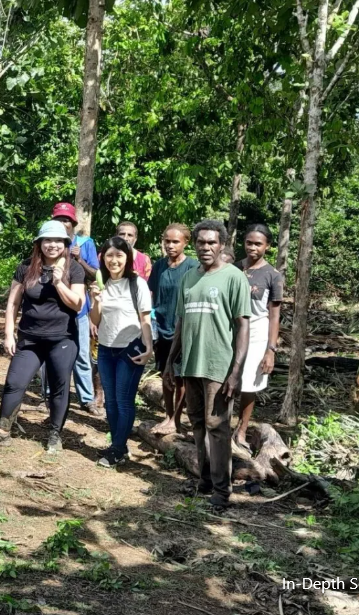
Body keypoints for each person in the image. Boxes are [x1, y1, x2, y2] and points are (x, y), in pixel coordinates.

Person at [163, 219, 250, 511]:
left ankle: (222, 492)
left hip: (218, 365)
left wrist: (236, 372)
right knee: (198, 424)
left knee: (218, 426)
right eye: (201, 242)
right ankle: (205, 480)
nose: (206, 247)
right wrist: (170, 361)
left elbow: (243, 326)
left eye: (212, 242)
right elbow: (181, 322)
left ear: (221, 245)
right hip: (191, 364)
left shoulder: (233, 277)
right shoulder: (189, 277)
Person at [0, 221, 85, 453]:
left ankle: (55, 434)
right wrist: (9, 334)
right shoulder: (26, 267)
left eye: (58, 241)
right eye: (48, 240)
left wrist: (58, 283)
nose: (52, 245)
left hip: (62, 339)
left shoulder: (74, 269)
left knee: (59, 386)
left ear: (65, 244)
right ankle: (3, 431)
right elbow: (13, 303)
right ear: (39, 243)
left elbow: (78, 304)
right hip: (30, 339)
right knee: (14, 383)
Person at [88, 237, 154, 467]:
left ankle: (116, 450)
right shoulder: (101, 284)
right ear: (102, 258)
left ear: (127, 258)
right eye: (109, 255)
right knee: (111, 402)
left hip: (130, 348)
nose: (114, 260)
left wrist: (149, 348)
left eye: (119, 255)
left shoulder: (137, 284)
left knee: (124, 401)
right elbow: (95, 320)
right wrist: (96, 300)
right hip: (106, 349)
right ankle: (120, 446)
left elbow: (145, 319)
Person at [234, 223, 283, 455]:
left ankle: (241, 430)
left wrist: (270, 350)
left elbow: (274, 315)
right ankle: (220, 426)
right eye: (249, 243)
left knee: (249, 384)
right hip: (232, 331)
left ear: (268, 246)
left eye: (258, 244)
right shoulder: (234, 268)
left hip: (256, 333)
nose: (252, 247)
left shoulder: (273, 275)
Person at [51, 202, 101, 416]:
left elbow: (95, 275)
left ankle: (87, 398)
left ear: (73, 223)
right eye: (59, 220)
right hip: (53, 309)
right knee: (52, 355)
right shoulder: (48, 242)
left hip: (79, 309)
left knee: (81, 355)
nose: (63, 224)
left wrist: (79, 258)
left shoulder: (85, 243)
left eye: (66, 221)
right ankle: (49, 396)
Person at [150, 223, 200, 436]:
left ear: (186, 242)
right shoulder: (159, 266)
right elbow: (152, 294)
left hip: (182, 329)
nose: (170, 245)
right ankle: (168, 414)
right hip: (161, 328)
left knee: (180, 376)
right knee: (165, 373)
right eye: (167, 241)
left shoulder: (193, 267)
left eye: (175, 242)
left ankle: (176, 419)